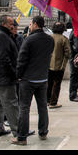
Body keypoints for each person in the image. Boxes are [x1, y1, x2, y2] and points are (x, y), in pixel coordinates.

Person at [12, 16, 54, 145]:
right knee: (42, 107)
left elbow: (21, 60)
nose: (29, 26)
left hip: (28, 79)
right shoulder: (49, 40)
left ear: (35, 24)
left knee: (24, 108)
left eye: (30, 24)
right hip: (42, 78)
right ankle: (43, 132)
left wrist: (18, 75)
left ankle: (22, 137)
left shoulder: (28, 40)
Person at [0, 15, 19, 139]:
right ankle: (18, 130)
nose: (13, 26)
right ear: (4, 24)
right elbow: (4, 58)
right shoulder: (2, 36)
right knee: (11, 103)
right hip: (3, 77)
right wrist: (13, 73)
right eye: (11, 23)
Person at [47, 22, 70, 109]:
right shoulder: (64, 39)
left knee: (49, 83)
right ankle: (53, 102)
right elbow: (68, 53)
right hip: (59, 65)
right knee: (56, 84)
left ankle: (48, 100)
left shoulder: (49, 37)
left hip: (48, 65)